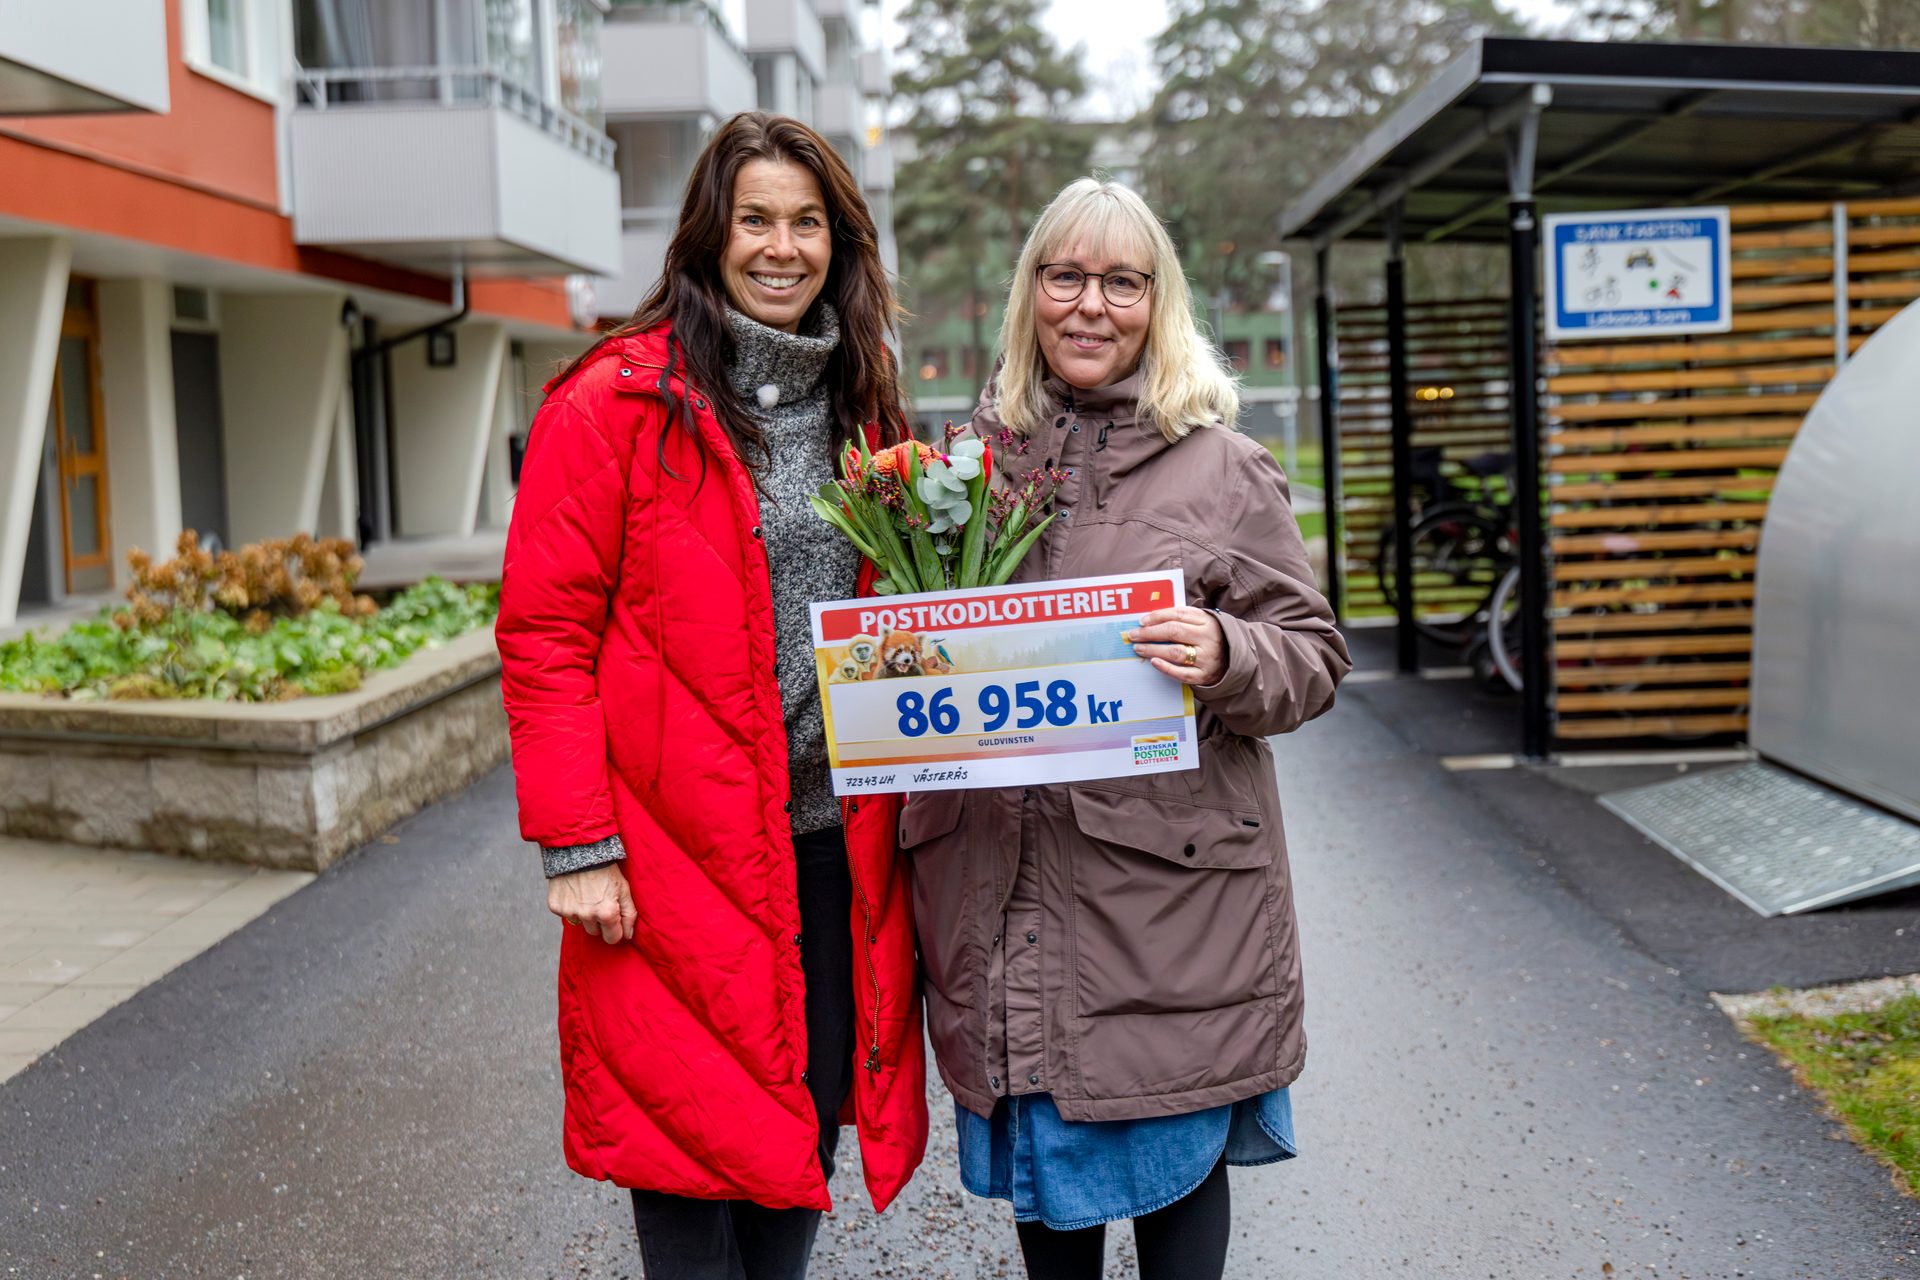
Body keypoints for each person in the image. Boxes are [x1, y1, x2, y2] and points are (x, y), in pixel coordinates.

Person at [496, 112, 927, 1280]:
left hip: (832, 843)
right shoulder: (615, 405)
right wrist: (577, 841)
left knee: (802, 1126)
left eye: (808, 223)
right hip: (670, 855)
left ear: (839, 244)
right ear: (709, 234)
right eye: (756, 220)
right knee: (683, 1144)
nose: (781, 247)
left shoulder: (867, 411)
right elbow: (542, 636)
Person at [899, 178, 1350, 1280]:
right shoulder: (964, 463)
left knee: (1177, 1209)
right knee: (1050, 1225)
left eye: (1121, 281)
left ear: (1160, 301)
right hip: (1009, 912)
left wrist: (1228, 653)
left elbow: (1315, 653)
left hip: (1170, 920)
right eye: (1065, 276)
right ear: (1030, 295)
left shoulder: (1221, 467)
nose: (1090, 304)